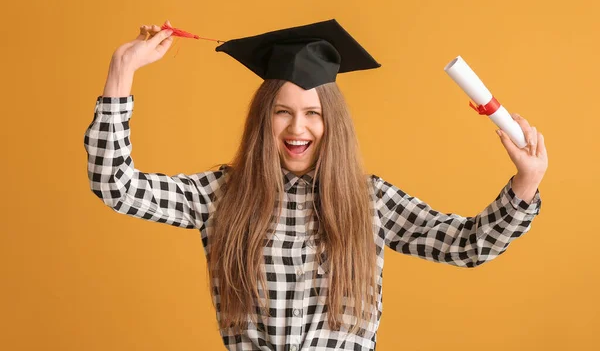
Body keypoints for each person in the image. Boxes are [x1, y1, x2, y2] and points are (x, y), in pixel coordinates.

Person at [84, 19, 547, 351]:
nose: (296, 128)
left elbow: (466, 246)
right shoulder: (222, 195)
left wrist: (526, 183)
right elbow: (117, 186)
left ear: (334, 123)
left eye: (313, 113)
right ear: (263, 119)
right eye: (282, 112)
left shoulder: (370, 201)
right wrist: (120, 76)